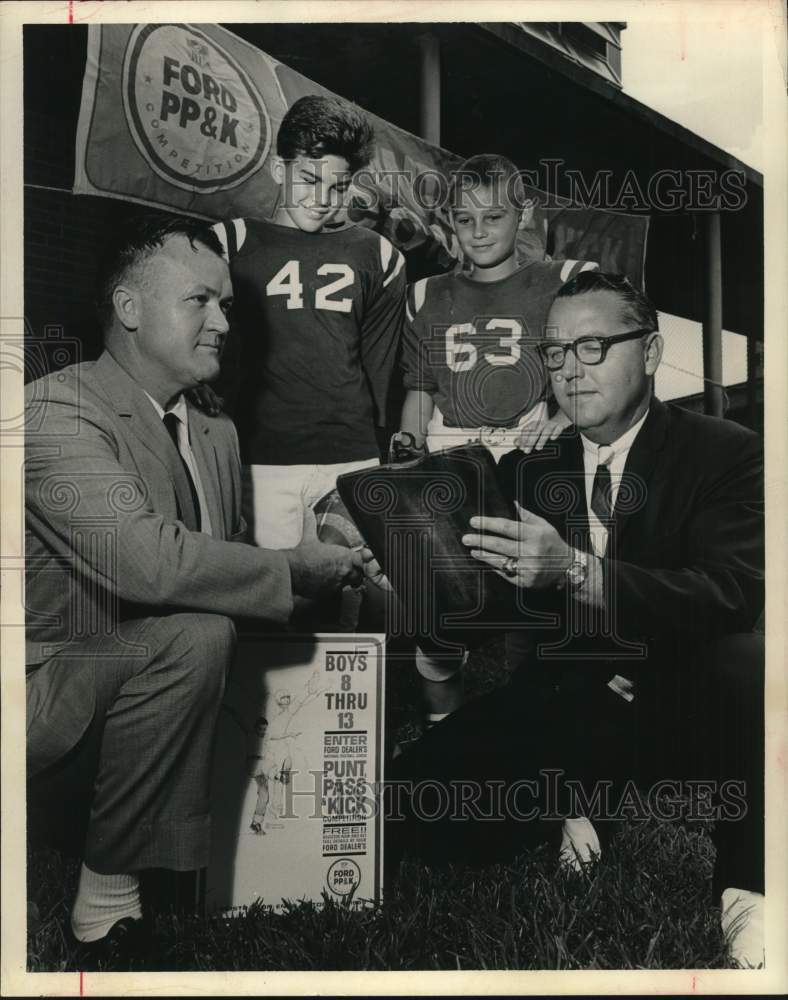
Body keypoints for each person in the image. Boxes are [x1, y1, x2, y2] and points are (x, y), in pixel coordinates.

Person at [392, 271, 765, 967]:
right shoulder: (537, 466)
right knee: (416, 808)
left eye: (592, 347)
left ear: (650, 353)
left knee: (753, 664)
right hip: (572, 697)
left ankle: (751, 887)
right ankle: (583, 796)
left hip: (677, 697)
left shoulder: (726, 450)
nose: (569, 370)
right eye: (556, 352)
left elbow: (731, 594)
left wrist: (573, 570)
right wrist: (361, 530)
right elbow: (440, 526)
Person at [25, 214, 363, 965]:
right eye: (199, 301)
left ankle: (185, 851)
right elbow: (149, 562)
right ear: (129, 309)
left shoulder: (214, 429)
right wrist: (287, 571)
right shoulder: (53, 411)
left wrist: (324, 552)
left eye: (226, 305)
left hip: (144, 694)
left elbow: (225, 568)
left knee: (209, 633)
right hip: (41, 696)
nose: (222, 322)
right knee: (197, 636)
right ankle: (107, 909)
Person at [397, 153, 597, 724]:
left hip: (525, 450)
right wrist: (408, 445)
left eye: (494, 217)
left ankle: (525, 734)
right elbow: (420, 388)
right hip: (451, 452)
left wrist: (566, 413)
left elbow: (595, 345)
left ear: (525, 214)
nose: (479, 232)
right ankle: (443, 731)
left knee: (531, 602)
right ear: (449, 224)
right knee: (439, 604)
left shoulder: (560, 281)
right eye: (465, 220)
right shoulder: (428, 294)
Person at [212, 94, 406, 551]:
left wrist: (380, 458)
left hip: (351, 460)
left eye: (338, 187)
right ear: (280, 170)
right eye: (308, 179)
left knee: (351, 604)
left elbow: (380, 375)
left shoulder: (378, 255)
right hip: (259, 462)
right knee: (274, 601)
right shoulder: (229, 242)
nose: (322, 200)